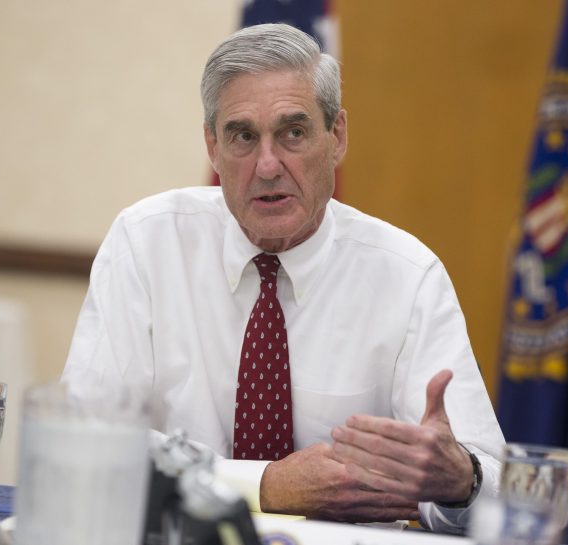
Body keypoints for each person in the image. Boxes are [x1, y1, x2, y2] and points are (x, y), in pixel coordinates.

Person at [62, 22, 505, 534]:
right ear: (212, 146)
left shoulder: (408, 276)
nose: (268, 165)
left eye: (293, 132)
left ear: (336, 137)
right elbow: (84, 445)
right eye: (243, 137)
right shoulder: (146, 244)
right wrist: (266, 485)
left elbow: (497, 493)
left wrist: (460, 481)